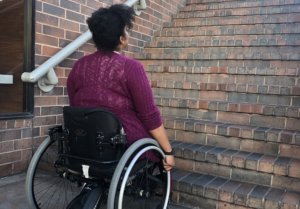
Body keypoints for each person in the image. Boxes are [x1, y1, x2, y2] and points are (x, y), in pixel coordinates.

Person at [67, 4, 175, 171]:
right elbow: (149, 115)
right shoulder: (131, 68)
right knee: (157, 149)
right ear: (121, 38)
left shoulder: (79, 66)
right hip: (122, 140)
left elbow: (74, 102)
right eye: (127, 30)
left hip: (86, 138)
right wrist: (168, 150)